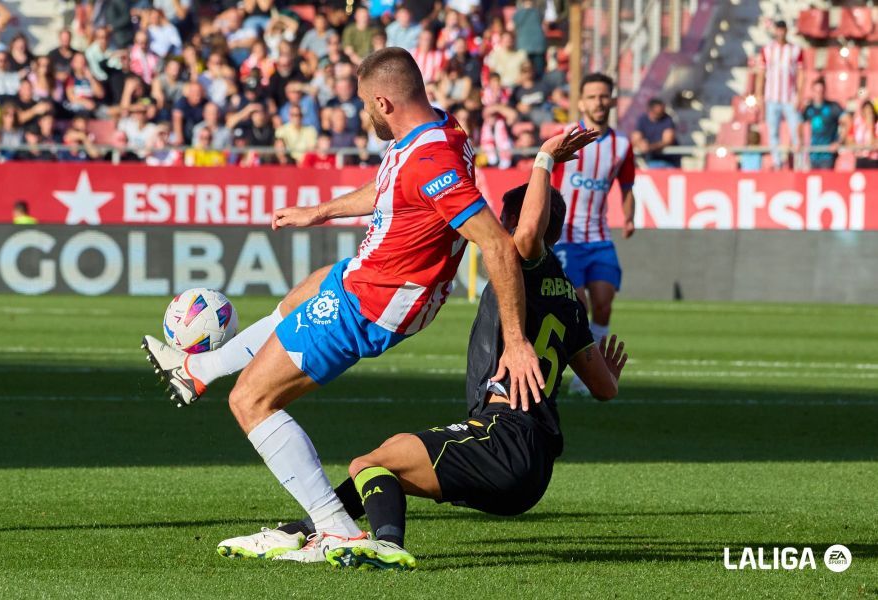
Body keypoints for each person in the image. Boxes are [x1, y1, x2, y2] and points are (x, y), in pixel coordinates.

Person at [141, 47, 546, 563]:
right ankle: (197, 370)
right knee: (301, 294)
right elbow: (388, 190)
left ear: (384, 101)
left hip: (372, 303)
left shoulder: (432, 161)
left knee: (251, 402)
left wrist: (516, 340)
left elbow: (495, 244)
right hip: (365, 276)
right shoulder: (440, 130)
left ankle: (337, 529)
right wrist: (323, 212)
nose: (363, 114)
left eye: (365, 105)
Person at [258, 125, 620, 570]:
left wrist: (544, 159)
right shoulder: (569, 296)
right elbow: (604, 389)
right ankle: (311, 527)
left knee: (369, 463)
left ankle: (386, 544)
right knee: (389, 461)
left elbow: (525, 237)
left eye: (499, 220)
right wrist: (610, 372)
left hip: (503, 437)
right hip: (536, 464)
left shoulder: (522, 261)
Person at [551, 73, 635, 396]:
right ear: (581, 102)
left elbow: (627, 187)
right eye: (593, 96)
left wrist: (628, 217)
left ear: (611, 101)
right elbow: (544, 176)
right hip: (566, 238)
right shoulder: (565, 138)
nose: (599, 102)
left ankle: (591, 374)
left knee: (603, 303)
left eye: (604, 96)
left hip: (599, 237)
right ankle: (568, 368)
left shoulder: (622, 146)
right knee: (577, 302)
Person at [755, 20, 803, 170]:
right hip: (772, 97)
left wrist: (800, 95)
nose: (780, 33)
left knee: (796, 130)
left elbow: (801, 73)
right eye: (778, 30)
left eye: (783, 30)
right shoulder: (767, 50)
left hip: (789, 97)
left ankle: (800, 162)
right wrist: (759, 94)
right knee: (773, 131)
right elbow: (761, 73)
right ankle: (776, 162)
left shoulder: (795, 50)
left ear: (786, 31)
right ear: (775, 31)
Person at [801, 78, 847, 170]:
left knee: (827, 182)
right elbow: (799, 124)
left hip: (828, 155)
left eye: (821, 91)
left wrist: (839, 142)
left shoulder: (833, 107)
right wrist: (799, 141)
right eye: (816, 91)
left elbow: (848, 122)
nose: (819, 94)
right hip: (813, 154)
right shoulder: (809, 109)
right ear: (812, 91)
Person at [631, 98, 679, 168]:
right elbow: (635, 138)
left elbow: (668, 140)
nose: (663, 112)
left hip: (668, 161)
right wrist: (640, 144)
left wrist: (650, 147)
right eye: (659, 111)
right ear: (651, 110)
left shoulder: (667, 119)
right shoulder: (642, 119)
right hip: (649, 161)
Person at [850, 100, 878, 169]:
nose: (868, 114)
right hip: (860, 158)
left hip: (873, 159)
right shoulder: (858, 123)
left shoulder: (876, 125)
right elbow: (851, 140)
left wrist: (871, 127)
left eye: (870, 112)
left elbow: (874, 144)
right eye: (866, 112)